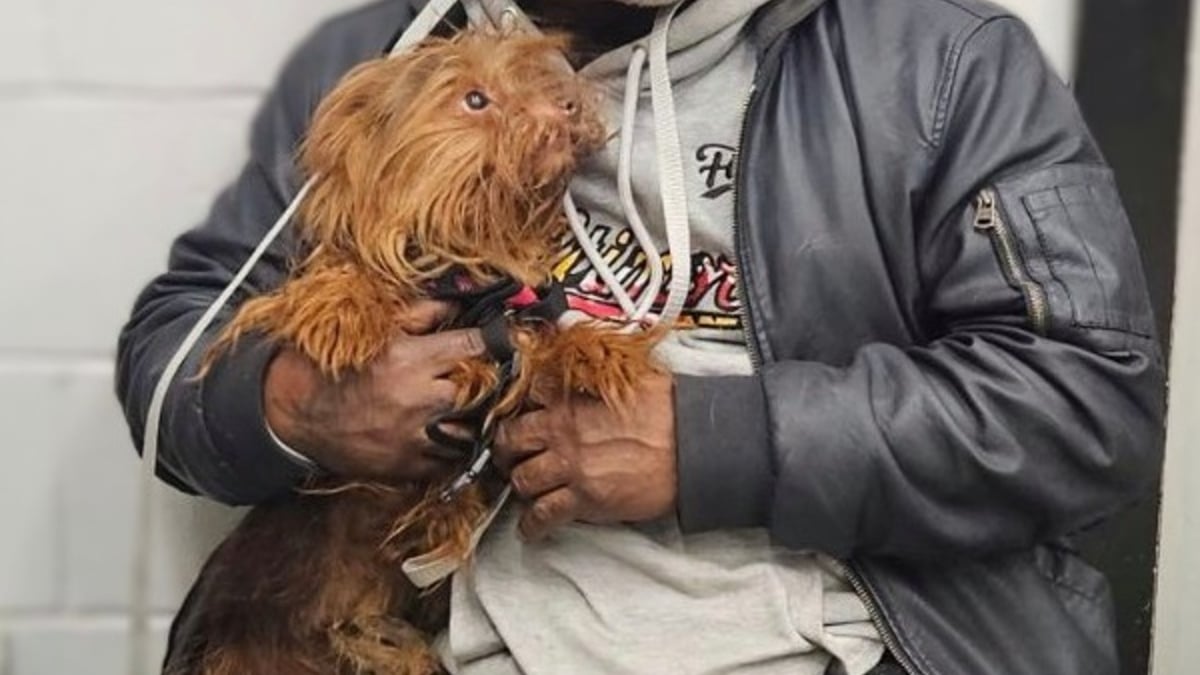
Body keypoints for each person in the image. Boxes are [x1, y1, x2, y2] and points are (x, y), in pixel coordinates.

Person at [116, 0, 1166, 673]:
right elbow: (169, 368)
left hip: (845, 648)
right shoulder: (380, 59)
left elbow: (1089, 407)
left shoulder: (940, 64)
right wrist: (300, 402)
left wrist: (717, 441)